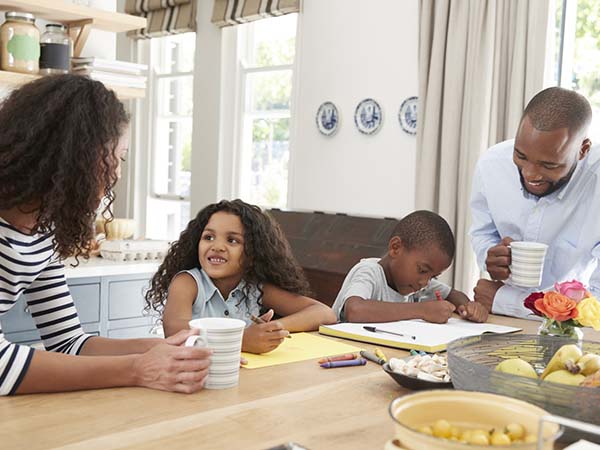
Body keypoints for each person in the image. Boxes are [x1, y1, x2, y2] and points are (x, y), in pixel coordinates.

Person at [0, 75, 211, 396]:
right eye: (118, 156)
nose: (118, 173)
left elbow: (68, 341)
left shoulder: (43, 230)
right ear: (76, 155)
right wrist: (138, 369)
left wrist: (163, 349)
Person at [470, 87, 600, 318]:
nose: (530, 174)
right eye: (520, 156)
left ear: (583, 150)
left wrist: (506, 301)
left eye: (549, 165)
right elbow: (482, 233)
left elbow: (596, 308)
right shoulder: (491, 166)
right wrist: (490, 254)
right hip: (499, 321)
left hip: (570, 332)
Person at [144, 199, 337, 354]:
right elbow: (175, 333)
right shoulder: (187, 283)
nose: (217, 246)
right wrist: (242, 340)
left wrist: (274, 328)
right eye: (208, 237)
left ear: (254, 253)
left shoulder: (255, 288)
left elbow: (324, 313)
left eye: (232, 240)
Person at [331, 211, 488, 323]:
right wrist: (423, 310)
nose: (425, 282)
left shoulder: (417, 283)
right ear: (396, 247)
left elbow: (453, 294)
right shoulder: (368, 272)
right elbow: (355, 310)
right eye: (423, 270)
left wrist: (468, 308)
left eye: (433, 277)